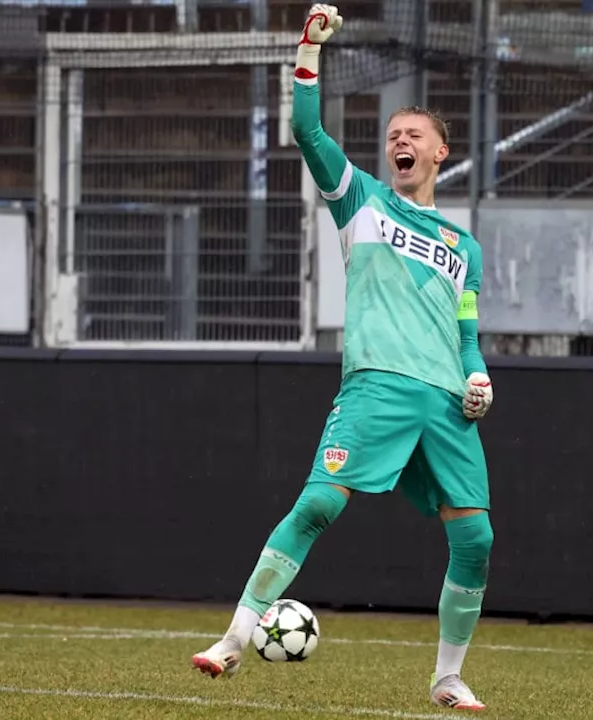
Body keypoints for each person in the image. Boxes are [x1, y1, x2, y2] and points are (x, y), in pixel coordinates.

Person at [189, 3, 495, 712]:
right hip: (377, 387)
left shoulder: (463, 248)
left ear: (440, 151)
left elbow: (468, 336)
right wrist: (307, 52)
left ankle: (447, 678)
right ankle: (234, 639)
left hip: (447, 402)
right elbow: (305, 129)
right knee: (321, 501)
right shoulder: (359, 200)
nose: (399, 142)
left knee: (475, 539)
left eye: (414, 134)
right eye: (393, 135)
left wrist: (478, 379)